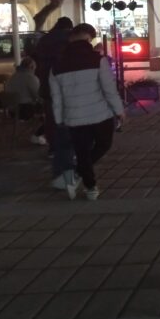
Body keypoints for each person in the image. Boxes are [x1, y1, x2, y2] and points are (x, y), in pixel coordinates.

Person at [50, 23, 125, 201]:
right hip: (100, 113)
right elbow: (109, 89)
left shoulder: (57, 65)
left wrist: (59, 119)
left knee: (82, 151)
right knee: (103, 144)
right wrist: (119, 110)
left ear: (71, 38)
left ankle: (90, 188)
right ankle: (77, 174)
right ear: (88, 38)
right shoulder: (97, 60)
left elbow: (56, 98)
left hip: (73, 117)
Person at [34, 16, 76, 192]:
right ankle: (67, 168)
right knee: (68, 125)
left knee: (52, 120)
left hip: (46, 86)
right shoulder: (68, 40)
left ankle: (54, 150)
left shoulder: (44, 40)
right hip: (65, 86)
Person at [5, 56, 46, 145]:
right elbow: (39, 95)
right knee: (50, 110)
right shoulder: (30, 77)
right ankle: (37, 134)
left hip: (12, 111)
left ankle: (38, 133)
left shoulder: (12, 77)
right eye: (35, 67)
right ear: (31, 67)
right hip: (25, 111)